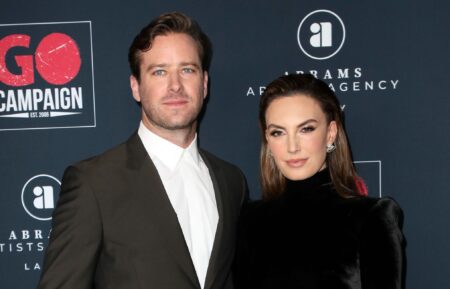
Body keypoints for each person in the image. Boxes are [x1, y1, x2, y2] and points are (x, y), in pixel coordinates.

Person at [37, 12, 247, 289]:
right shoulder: (94, 184)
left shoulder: (232, 181)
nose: (175, 85)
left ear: (204, 83)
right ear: (136, 87)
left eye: (187, 70)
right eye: (159, 71)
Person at [234, 74, 405, 289]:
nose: (292, 147)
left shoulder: (371, 217)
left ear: (331, 133)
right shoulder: (251, 221)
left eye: (306, 129)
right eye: (278, 132)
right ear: (267, 140)